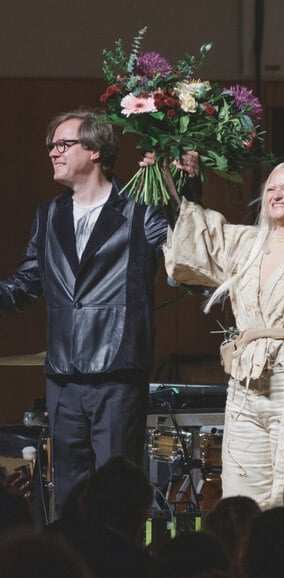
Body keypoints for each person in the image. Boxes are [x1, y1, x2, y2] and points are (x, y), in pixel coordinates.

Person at [0, 109, 199, 515]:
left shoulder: (139, 210)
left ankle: (119, 573)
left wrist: (187, 186)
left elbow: (188, 254)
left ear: (95, 151)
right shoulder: (49, 214)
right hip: (64, 374)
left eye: (63, 144)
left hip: (116, 369)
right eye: (51, 146)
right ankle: (72, 573)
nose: (53, 153)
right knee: (69, 489)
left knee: (116, 487)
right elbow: (24, 286)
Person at [164, 160, 284, 535]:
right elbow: (199, 237)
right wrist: (185, 180)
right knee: (241, 493)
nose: (275, 195)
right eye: (270, 188)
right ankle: (245, 577)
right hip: (246, 380)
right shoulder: (247, 243)